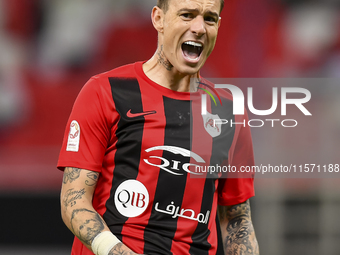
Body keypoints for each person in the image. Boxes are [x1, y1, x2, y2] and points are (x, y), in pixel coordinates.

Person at [58, 0, 259, 254]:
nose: (199, 28)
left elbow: (237, 219)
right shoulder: (106, 92)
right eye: (187, 15)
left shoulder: (229, 113)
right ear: (158, 19)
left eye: (209, 19)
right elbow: (73, 200)